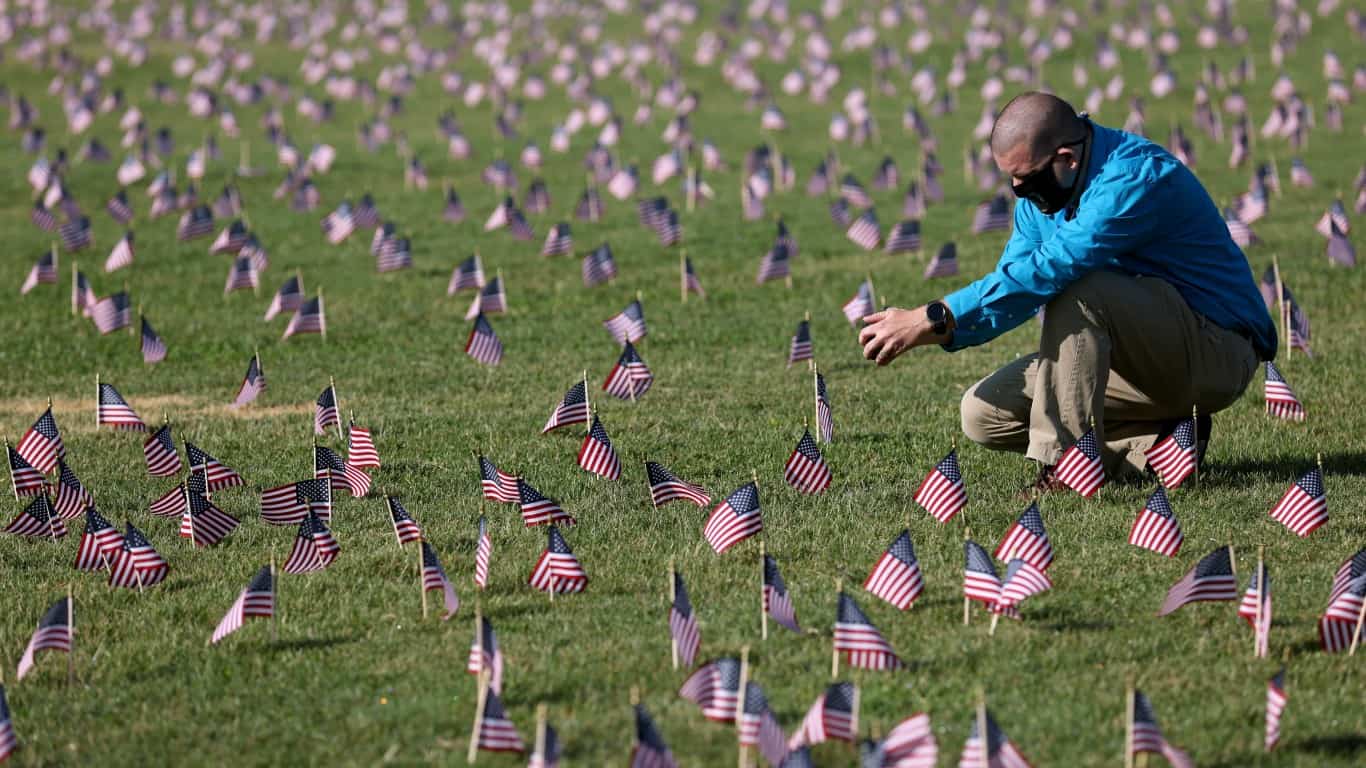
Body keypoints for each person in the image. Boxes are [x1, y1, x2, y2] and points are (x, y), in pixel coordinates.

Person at [857, 92, 1276, 491]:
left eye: (1026, 178)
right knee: (982, 414)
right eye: (1011, 180)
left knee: (1080, 288)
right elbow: (1014, 279)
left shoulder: (1131, 177)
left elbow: (1050, 269)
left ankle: (1066, 467)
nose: (1019, 192)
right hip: (1142, 360)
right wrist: (943, 326)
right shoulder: (1043, 196)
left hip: (1215, 351)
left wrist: (933, 316)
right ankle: (1160, 445)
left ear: (1067, 159)